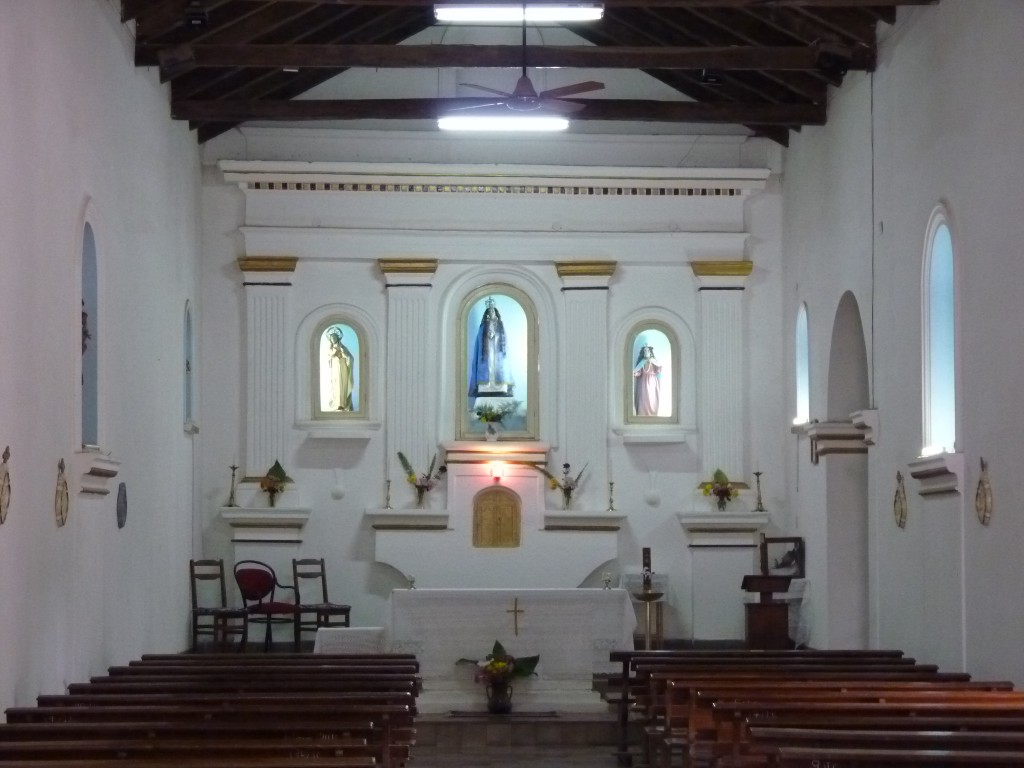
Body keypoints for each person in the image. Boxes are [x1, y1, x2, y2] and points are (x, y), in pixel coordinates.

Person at [468, 297, 512, 396]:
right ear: (487, 313)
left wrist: (495, 336)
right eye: (490, 311)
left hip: (497, 352)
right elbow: (480, 340)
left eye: (493, 311)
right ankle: (486, 386)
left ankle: (498, 386)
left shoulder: (500, 325)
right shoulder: (483, 325)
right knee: (488, 366)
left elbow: (503, 339)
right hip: (486, 352)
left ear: (496, 313)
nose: (492, 312)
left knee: (497, 366)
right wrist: (487, 336)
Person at [326, 327, 354, 411]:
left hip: (343, 369)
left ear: (337, 338)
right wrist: (333, 354)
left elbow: (350, 358)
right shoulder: (330, 349)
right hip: (334, 370)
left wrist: (345, 354)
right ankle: (337, 404)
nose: (333, 339)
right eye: (331, 338)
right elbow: (329, 357)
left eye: (334, 337)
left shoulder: (343, 347)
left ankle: (343, 404)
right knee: (336, 386)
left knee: (343, 385)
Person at [632, 344, 662, 416]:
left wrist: (653, 362)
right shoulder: (642, 362)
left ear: (650, 352)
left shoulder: (654, 361)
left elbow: (659, 369)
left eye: (648, 350)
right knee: (643, 398)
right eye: (645, 350)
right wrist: (635, 373)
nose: (646, 352)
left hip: (653, 382)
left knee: (652, 398)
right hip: (643, 382)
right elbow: (638, 371)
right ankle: (642, 414)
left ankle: (652, 413)